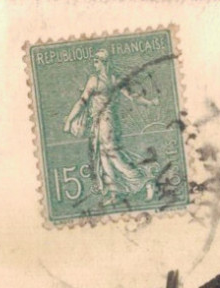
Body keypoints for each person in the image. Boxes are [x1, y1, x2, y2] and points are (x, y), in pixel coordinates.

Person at [63, 48, 157, 205]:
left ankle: (146, 181)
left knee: (112, 155)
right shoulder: (114, 79)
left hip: (106, 123)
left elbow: (82, 102)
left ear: (104, 63)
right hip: (106, 122)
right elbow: (133, 96)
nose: (94, 64)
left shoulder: (96, 80)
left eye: (97, 61)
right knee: (105, 156)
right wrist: (150, 102)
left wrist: (68, 121)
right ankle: (114, 193)